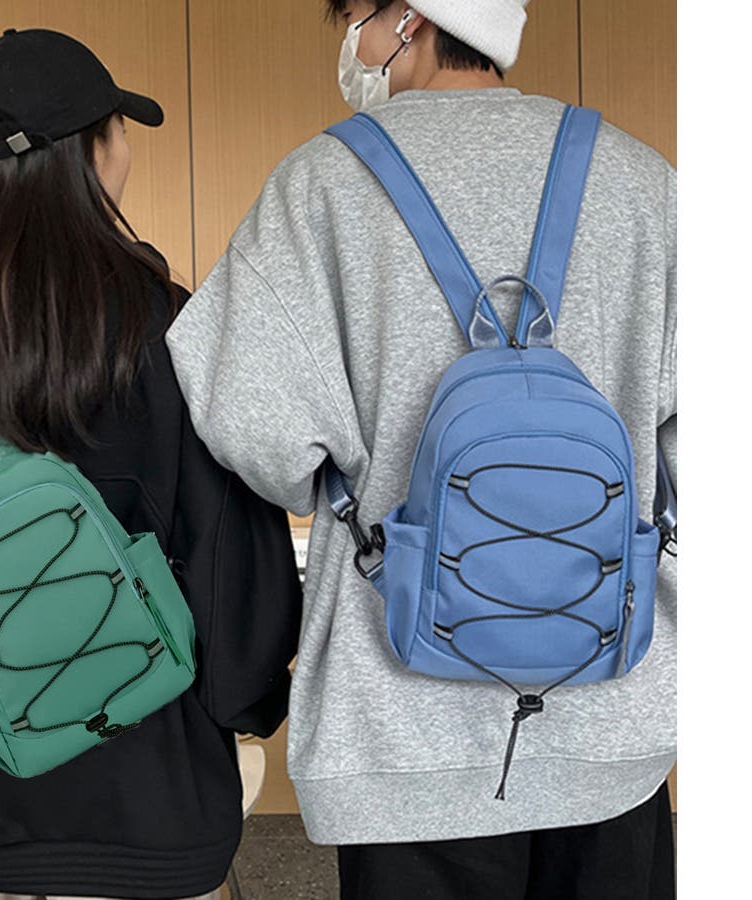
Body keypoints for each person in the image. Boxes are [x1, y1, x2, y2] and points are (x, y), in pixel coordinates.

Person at [165, 2, 677, 898]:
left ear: (407, 18)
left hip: (401, 729)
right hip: (611, 718)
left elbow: (259, 433)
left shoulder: (320, 186)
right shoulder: (644, 182)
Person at [0, 28, 302, 900]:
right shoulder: (165, 326)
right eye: (120, 130)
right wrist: (247, 712)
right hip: (155, 800)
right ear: (94, 148)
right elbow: (231, 560)